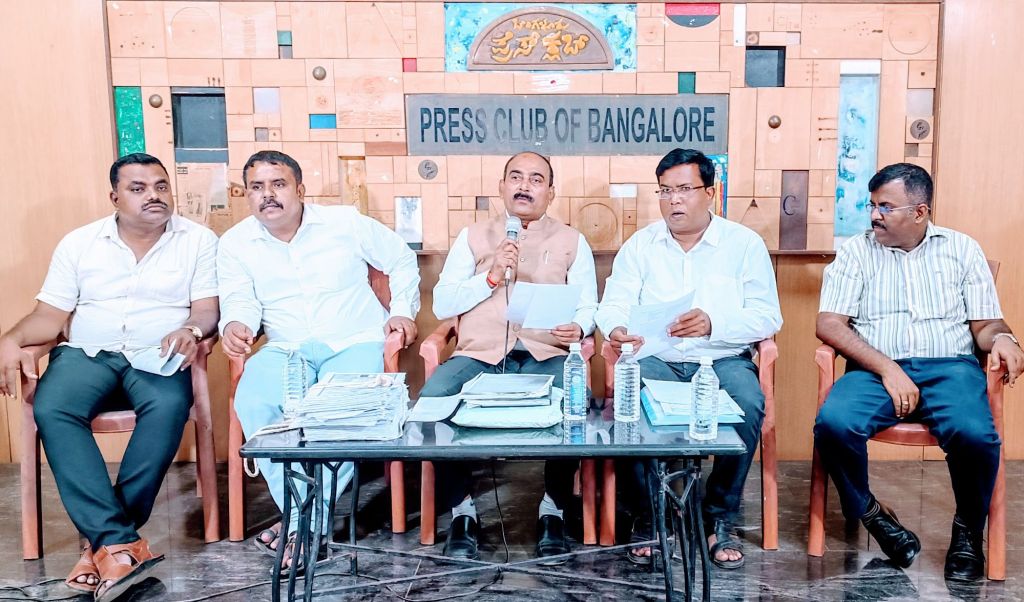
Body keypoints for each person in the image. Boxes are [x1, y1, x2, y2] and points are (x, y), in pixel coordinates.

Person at [0, 153, 219, 601]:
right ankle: (119, 543)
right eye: (138, 188)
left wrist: (192, 330)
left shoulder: (198, 240)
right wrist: (10, 339)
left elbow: (206, 309)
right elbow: (49, 316)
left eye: (160, 186)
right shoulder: (80, 243)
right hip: (88, 354)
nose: (153, 195)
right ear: (114, 197)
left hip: (156, 355)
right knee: (53, 407)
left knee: (168, 406)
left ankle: (104, 545)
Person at [814, 163, 1023, 581]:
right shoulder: (857, 251)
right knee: (833, 424)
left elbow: (986, 324)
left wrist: (1004, 338)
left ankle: (968, 531)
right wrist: (887, 368)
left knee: (975, 435)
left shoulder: (962, 249)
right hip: (876, 369)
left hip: (950, 368)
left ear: (920, 212)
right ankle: (873, 515)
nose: (874, 215)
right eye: (872, 205)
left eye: (885, 207)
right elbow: (829, 324)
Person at [218, 150, 420, 568]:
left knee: (345, 411)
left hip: (354, 341)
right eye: (257, 187)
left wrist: (402, 310)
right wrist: (236, 325)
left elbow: (401, 258)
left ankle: (302, 524)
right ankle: (306, 519)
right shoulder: (235, 243)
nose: (268, 195)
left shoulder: (343, 223)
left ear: (300, 189)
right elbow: (240, 300)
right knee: (253, 401)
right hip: (285, 346)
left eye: (278, 184)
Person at [595, 148, 782, 569]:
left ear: (710, 192)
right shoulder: (640, 246)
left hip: (720, 359)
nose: (673, 200)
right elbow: (613, 304)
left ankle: (719, 516)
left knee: (749, 402)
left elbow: (768, 316)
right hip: (657, 357)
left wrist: (714, 323)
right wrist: (616, 329)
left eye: (684, 189)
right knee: (629, 400)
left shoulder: (743, 245)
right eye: (665, 190)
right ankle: (650, 512)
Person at [421, 151, 598, 563]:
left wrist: (580, 327)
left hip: (545, 351)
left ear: (550, 192)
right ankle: (462, 512)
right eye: (516, 177)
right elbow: (443, 303)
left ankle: (553, 509)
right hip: (479, 354)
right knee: (430, 404)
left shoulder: (573, 240)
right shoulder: (472, 236)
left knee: (577, 406)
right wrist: (490, 276)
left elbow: (589, 303)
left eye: (536, 179)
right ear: (502, 187)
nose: (524, 186)